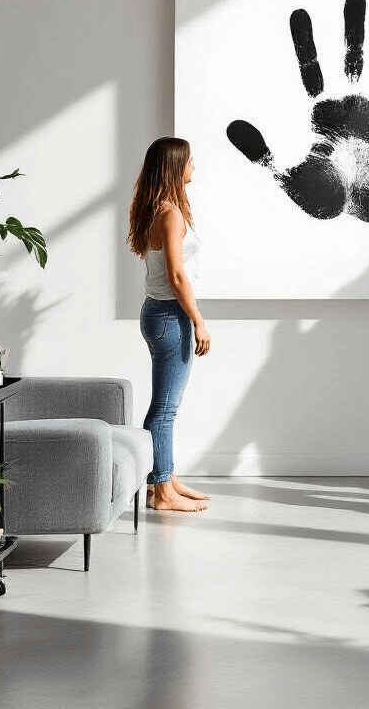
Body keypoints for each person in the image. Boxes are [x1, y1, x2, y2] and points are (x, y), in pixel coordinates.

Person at [127, 136, 212, 512]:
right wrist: (199, 322)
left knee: (165, 406)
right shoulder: (170, 214)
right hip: (170, 316)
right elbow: (177, 276)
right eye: (191, 161)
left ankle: (167, 477)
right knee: (164, 408)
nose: (195, 166)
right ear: (176, 167)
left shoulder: (157, 208)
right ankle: (161, 492)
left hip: (156, 313)